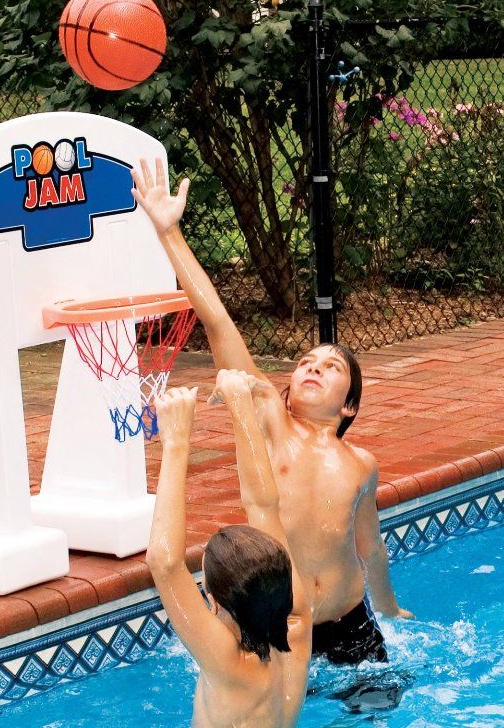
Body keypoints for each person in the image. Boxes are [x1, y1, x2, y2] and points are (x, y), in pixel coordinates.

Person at [133, 159, 412, 667]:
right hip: (284, 624)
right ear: (283, 391)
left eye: (331, 367)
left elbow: (369, 547)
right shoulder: (271, 421)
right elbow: (215, 319)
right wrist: (168, 231)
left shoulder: (362, 465)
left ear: (349, 404)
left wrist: (389, 608)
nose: (313, 366)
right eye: (306, 362)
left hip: (352, 622)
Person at [147, 373, 312, 728]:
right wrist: (239, 403)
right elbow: (263, 506)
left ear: (216, 601)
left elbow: (164, 563)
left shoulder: (229, 664)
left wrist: (176, 443)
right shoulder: (298, 625)